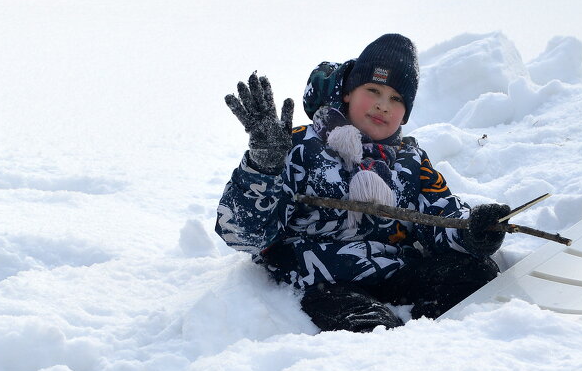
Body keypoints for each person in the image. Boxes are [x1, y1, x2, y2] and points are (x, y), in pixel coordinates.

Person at [215, 33, 510, 333]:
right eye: (373, 90)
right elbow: (243, 235)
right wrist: (263, 168)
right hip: (324, 281)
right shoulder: (297, 148)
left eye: (396, 99)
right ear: (348, 93)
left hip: (395, 275)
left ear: (405, 114)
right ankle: (386, 348)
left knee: (477, 273)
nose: (383, 105)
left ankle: (439, 340)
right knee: (370, 328)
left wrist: (472, 230)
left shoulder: (411, 161)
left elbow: (440, 215)